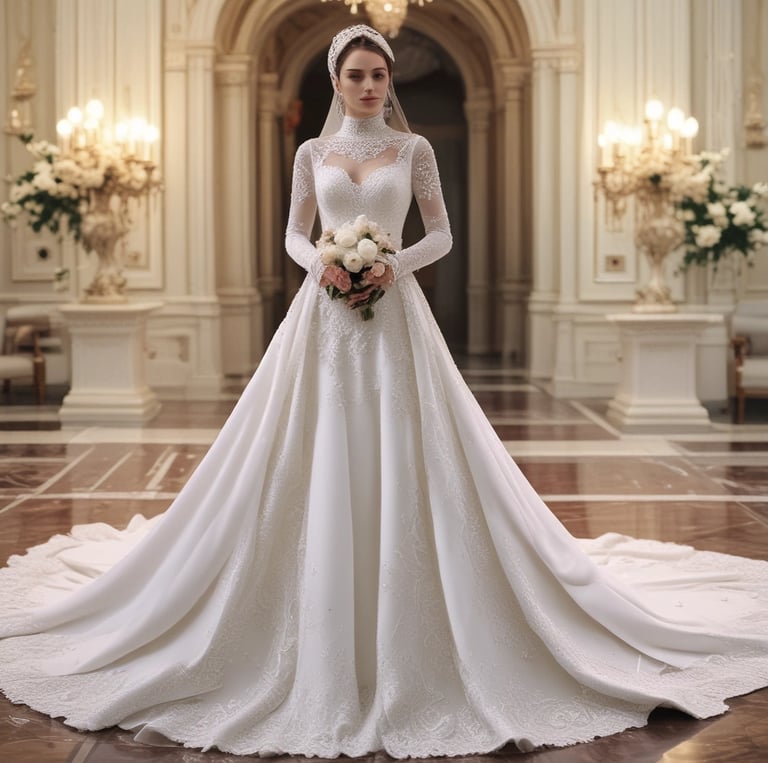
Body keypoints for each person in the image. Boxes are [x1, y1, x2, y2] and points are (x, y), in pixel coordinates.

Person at [1, 23, 768, 759]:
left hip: (395, 314)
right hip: (324, 316)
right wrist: (323, 263)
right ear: (336, 82)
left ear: (388, 83)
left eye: (379, 76)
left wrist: (391, 263)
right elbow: (294, 234)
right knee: (313, 444)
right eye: (356, 76)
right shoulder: (311, 150)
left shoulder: (415, 147)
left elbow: (441, 233)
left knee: (405, 446)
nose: (370, 86)